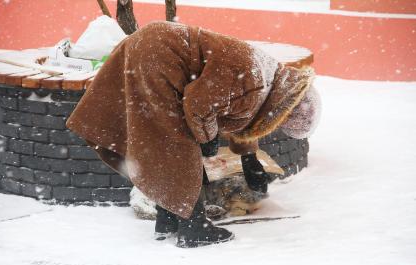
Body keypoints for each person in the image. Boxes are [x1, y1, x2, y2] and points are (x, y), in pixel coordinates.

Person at [66, 21, 318, 248]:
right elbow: (199, 107)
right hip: (158, 54)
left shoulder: (267, 76)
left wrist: (248, 155)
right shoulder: (254, 79)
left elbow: (238, 107)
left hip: (154, 45)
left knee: (163, 143)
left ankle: (167, 219)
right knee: (178, 145)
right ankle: (194, 227)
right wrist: (207, 139)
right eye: (284, 120)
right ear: (286, 108)